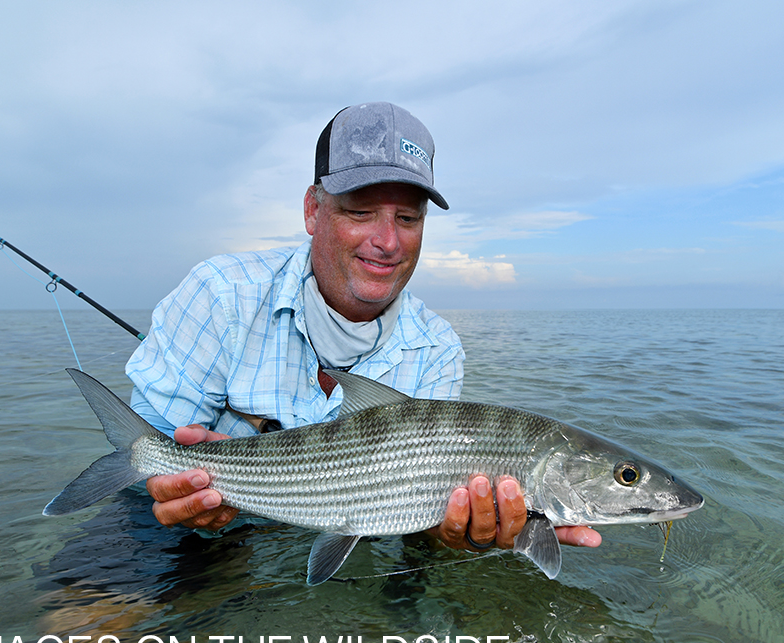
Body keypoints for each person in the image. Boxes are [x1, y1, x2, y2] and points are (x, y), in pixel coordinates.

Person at [125, 102, 602, 553]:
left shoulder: (437, 349)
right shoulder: (220, 293)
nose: (388, 242)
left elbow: (424, 522)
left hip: (347, 551)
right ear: (313, 210)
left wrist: (460, 532)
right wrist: (170, 486)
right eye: (360, 212)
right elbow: (150, 458)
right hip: (183, 540)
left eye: (408, 218)